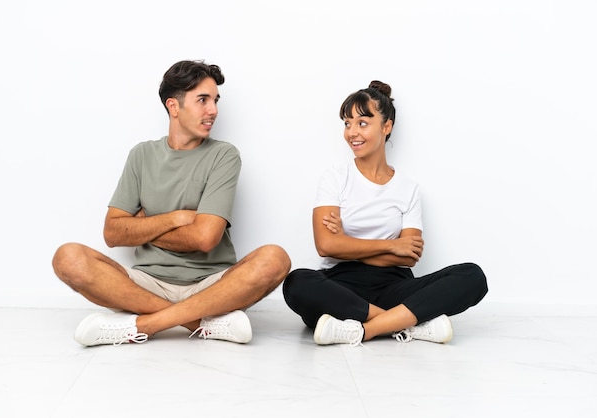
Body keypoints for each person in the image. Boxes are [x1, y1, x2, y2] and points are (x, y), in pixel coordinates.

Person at [52, 60, 291, 347]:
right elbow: (113, 234)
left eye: (215, 100)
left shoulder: (224, 155)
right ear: (173, 107)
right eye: (202, 100)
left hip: (213, 285)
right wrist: (177, 218)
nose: (213, 110)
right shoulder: (142, 155)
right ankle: (200, 323)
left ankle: (144, 324)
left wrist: (142, 225)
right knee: (68, 257)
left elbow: (205, 238)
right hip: (146, 283)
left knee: (275, 259)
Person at [282, 80, 488, 346]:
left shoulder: (408, 189)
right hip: (340, 285)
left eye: (362, 123)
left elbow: (409, 257)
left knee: (472, 276)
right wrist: (392, 246)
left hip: (394, 286)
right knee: (297, 282)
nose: (352, 132)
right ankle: (405, 324)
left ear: (386, 127)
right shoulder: (335, 178)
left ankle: (364, 329)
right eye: (347, 123)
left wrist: (348, 243)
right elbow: (326, 245)